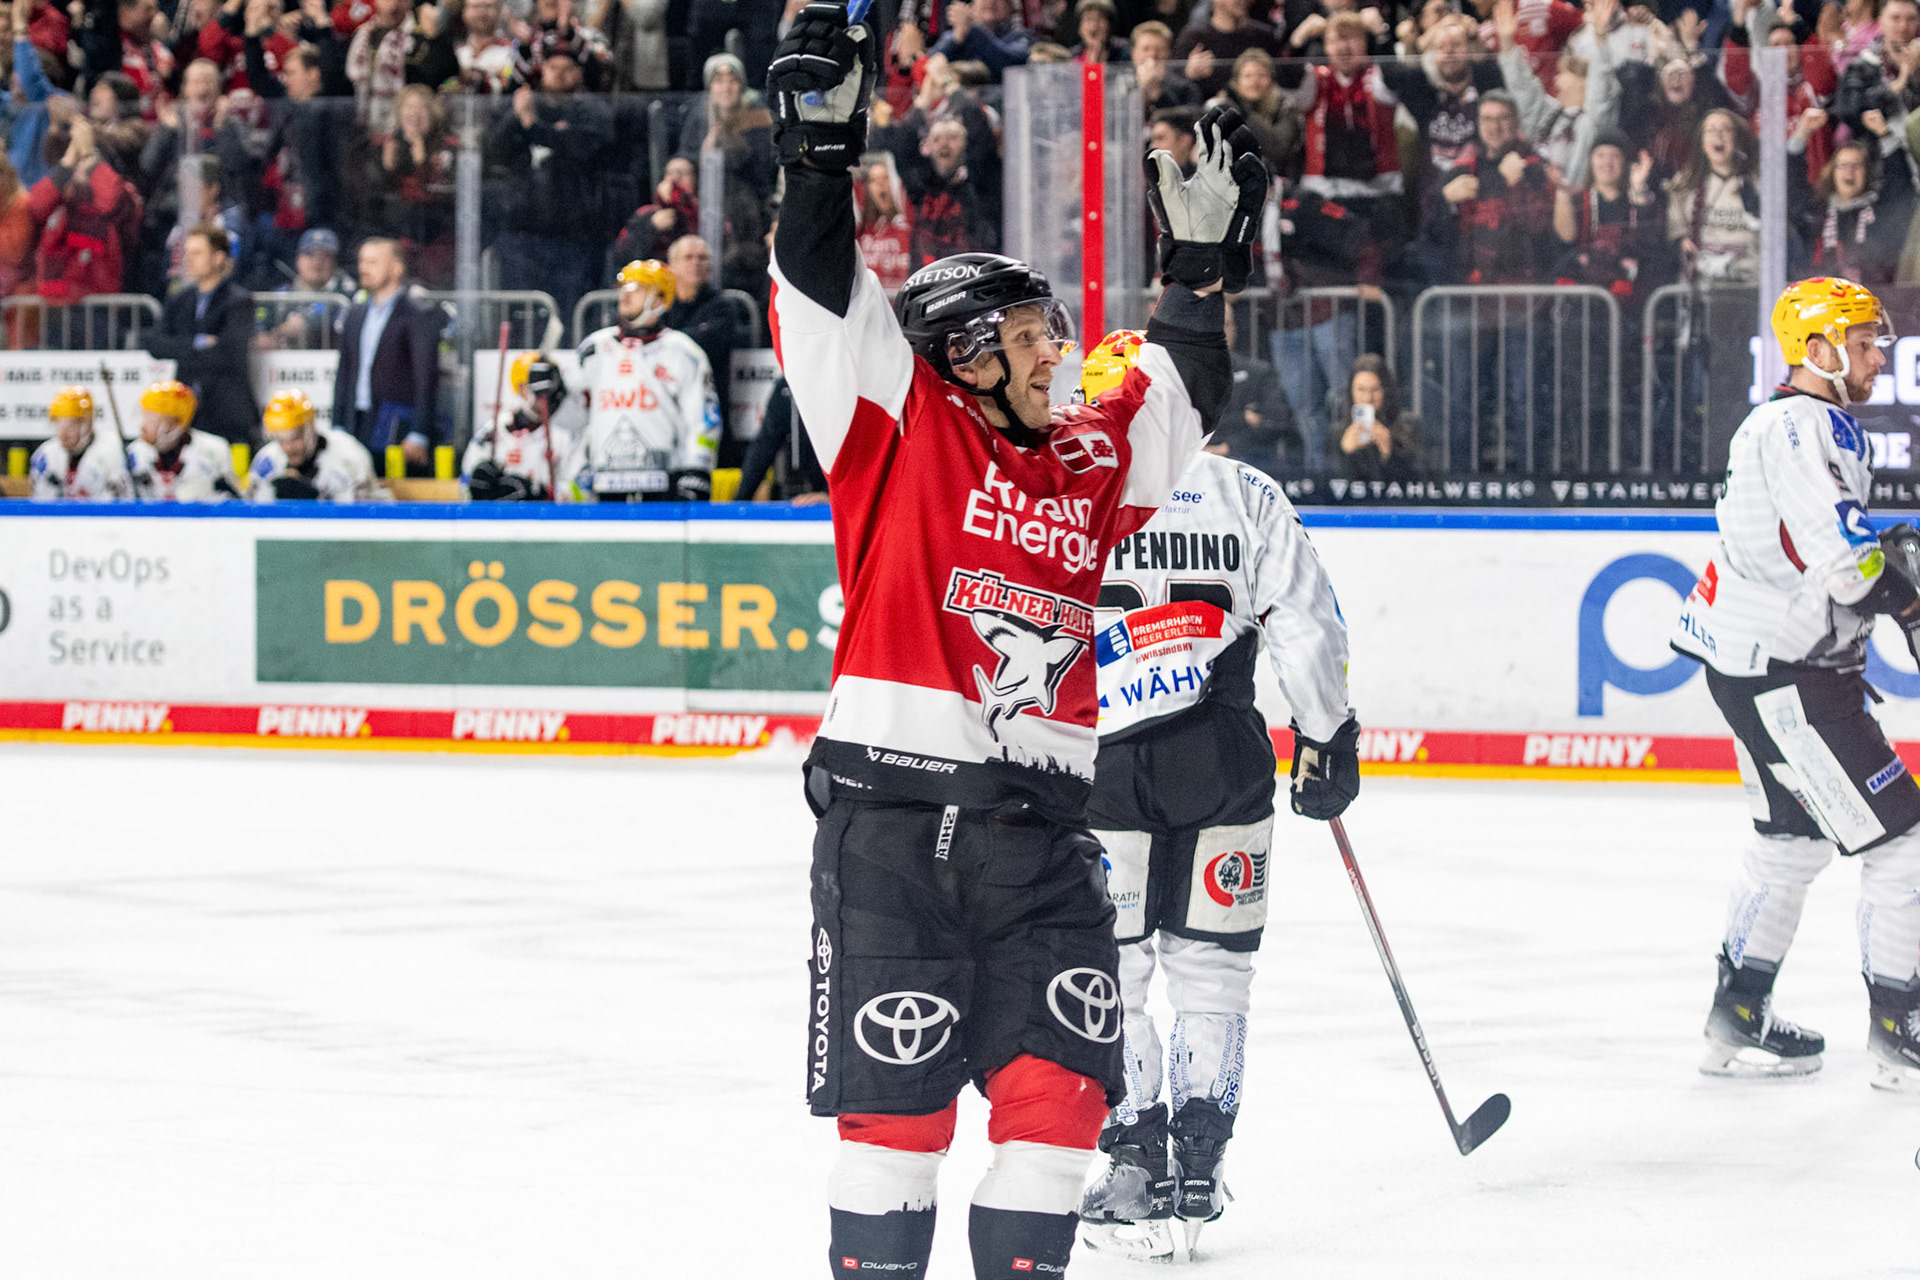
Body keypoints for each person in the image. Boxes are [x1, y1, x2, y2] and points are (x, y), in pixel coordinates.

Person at [765, 3, 1256, 1270]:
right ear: (965, 354)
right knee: (899, 1127)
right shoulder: (895, 427)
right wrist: (817, 157)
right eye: (1038, 336)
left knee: (1059, 1110)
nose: (1063, 355)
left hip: (1040, 837)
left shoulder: (1089, 457)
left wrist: (1198, 275)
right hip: (891, 829)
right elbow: (825, 298)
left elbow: (1176, 397)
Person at [1071, 330, 1356, 1262]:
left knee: (1115, 971)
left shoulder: (1066, 488)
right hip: (1221, 756)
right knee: (1216, 971)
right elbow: (1308, 628)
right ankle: (1200, 1162)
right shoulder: (1248, 493)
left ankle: (1134, 1161)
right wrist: (1326, 735)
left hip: (1099, 764)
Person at [1670, 276, 1920, 1092]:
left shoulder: (1799, 424)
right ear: (1815, 351)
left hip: (1756, 672)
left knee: (1793, 840)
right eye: (1861, 342)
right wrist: (1908, 599)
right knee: (1904, 843)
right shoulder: (1800, 426)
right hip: (1791, 682)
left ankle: (1735, 1017)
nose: (1877, 354)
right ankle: (1898, 1028)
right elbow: (1848, 568)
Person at [563, 258, 717, 501]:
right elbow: (574, 416)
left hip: (665, 481)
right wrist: (552, 395)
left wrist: (697, 467)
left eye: (637, 289)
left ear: (659, 299)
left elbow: (703, 417)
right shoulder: (594, 348)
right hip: (603, 481)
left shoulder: (683, 352)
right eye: (624, 288)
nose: (625, 295)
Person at [331, 236, 441, 468]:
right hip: (355, 421)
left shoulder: (417, 314)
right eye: (362, 262)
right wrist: (338, 424)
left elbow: (426, 379)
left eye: (372, 262)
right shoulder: (355, 314)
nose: (363, 268)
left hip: (395, 425)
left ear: (396, 268)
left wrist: (419, 432)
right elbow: (344, 373)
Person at [146, 223, 260, 445]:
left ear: (218, 258)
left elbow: (229, 353)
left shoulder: (238, 301)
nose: (189, 259)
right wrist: (196, 343)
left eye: (197, 253)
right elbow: (154, 343)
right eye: (187, 253)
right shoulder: (181, 300)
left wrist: (179, 350)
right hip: (185, 414)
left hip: (228, 414)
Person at [464, 352, 573, 500]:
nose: (550, 397)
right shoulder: (492, 432)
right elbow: (464, 485)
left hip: (546, 521)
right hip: (498, 521)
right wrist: (479, 486)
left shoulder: (564, 436)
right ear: (522, 389)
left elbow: (580, 493)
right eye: (540, 390)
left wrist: (538, 492)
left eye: (552, 389)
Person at [248, 388, 386, 501]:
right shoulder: (267, 460)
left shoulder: (345, 456)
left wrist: (311, 497)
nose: (288, 448)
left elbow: (354, 519)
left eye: (295, 438)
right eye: (281, 440)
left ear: (310, 428)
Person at [125, 380, 239, 501]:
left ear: (174, 423)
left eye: (152, 419)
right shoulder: (134, 453)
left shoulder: (214, 451)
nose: (143, 425)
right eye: (144, 416)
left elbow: (232, 501)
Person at [30, 385, 131, 499]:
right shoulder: (46, 455)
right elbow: (40, 505)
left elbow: (117, 505)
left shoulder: (111, 452)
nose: (63, 433)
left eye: (71, 424)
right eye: (58, 423)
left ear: (87, 423)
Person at [263, 228, 358, 349]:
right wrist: (262, 334)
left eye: (325, 256)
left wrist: (304, 321)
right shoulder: (282, 292)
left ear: (334, 262)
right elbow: (262, 317)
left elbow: (331, 313)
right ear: (298, 259)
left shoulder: (345, 289)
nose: (317, 262)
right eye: (310, 254)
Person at [1332, 353, 1422, 481]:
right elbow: (1326, 489)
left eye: (1375, 389)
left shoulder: (1409, 426)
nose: (1368, 398)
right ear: (1350, 392)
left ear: (1386, 391)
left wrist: (1388, 454)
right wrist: (1346, 453)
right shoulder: (1338, 433)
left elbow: (1420, 483)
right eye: (1361, 390)